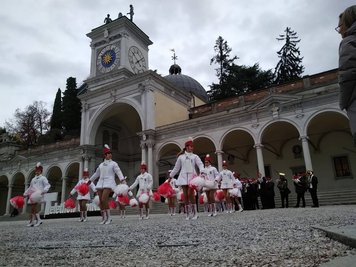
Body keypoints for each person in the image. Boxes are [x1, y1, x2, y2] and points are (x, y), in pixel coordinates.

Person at [88, 144, 125, 224]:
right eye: (108, 153)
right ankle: (104, 218)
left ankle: (109, 217)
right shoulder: (101, 165)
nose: (110, 154)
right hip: (100, 183)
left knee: (104, 199)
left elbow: (118, 171)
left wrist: (122, 179)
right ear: (105, 155)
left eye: (110, 153)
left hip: (109, 183)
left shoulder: (114, 163)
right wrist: (90, 180)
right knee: (101, 201)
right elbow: (96, 174)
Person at [169, 137, 204, 220]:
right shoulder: (181, 157)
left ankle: (195, 213)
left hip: (192, 178)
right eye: (191, 146)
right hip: (183, 177)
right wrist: (171, 176)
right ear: (187, 147)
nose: (192, 148)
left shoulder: (195, 156)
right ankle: (188, 214)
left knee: (190, 194)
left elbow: (200, 164)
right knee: (185, 196)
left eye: (193, 146)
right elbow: (176, 168)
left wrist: (202, 171)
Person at [337, 5, 356, 146]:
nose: (339, 31)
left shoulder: (348, 41)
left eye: (340, 26)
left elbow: (348, 75)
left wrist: (342, 103)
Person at [23, 162, 51, 227]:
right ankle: (32, 221)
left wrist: (44, 191)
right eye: (36, 171)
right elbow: (30, 188)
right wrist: (25, 193)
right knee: (32, 208)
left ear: (41, 171)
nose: (37, 172)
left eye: (38, 171)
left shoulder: (43, 178)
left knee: (33, 207)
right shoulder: (33, 179)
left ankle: (38, 220)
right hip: (33, 194)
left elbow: (47, 185)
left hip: (39, 194)